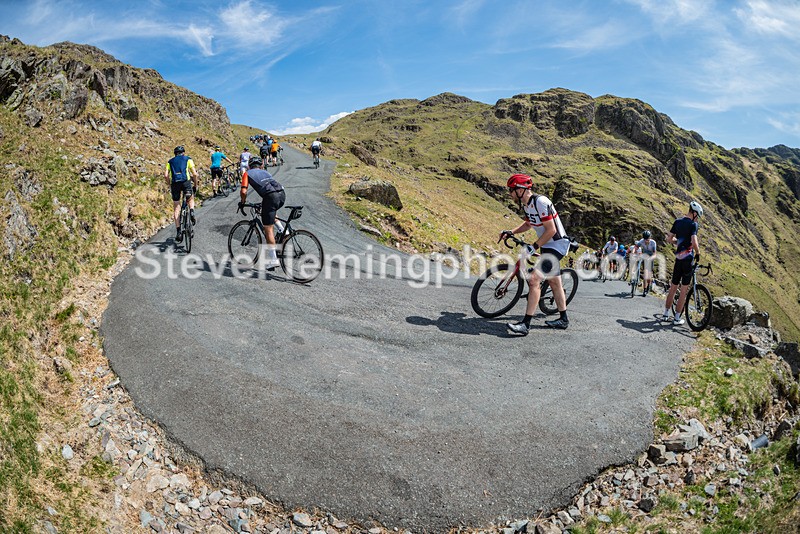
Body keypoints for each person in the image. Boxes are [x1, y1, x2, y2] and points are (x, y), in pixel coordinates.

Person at [501, 174, 572, 335]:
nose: (510, 194)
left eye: (511, 190)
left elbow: (551, 230)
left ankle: (525, 325)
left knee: (534, 280)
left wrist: (533, 247)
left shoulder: (541, 202)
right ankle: (563, 319)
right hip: (547, 245)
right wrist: (511, 232)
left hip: (557, 245)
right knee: (554, 282)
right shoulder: (527, 205)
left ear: (520, 190)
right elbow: (528, 224)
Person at [239, 156, 285, 268]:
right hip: (282, 194)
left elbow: (243, 191)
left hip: (270, 197)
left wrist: (242, 202)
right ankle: (283, 229)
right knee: (270, 211)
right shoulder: (265, 172)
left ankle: (274, 260)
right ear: (261, 165)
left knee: (268, 228)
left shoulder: (247, 173)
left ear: (249, 166)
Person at [663, 202, 703, 325]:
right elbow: (694, 241)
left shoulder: (677, 221)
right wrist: (698, 252)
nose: (697, 219)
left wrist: (679, 242)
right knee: (683, 290)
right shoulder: (693, 224)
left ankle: (665, 314)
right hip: (687, 260)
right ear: (694, 213)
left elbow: (669, 238)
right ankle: (676, 318)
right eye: (697, 216)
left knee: (673, 288)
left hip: (678, 259)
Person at [164, 145, 198, 242]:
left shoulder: (170, 162)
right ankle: (192, 211)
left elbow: (166, 175)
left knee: (176, 207)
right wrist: (195, 185)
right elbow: (194, 174)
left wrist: (169, 184)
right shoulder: (188, 159)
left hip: (175, 184)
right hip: (186, 182)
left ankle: (179, 231)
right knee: (190, 198)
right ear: (183, 153)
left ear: (175, 154)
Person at [636, 230, 657, 296]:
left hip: (651, 258)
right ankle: (644, 290)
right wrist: (633, 252)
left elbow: (654, 254)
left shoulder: (653, 243)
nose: (646, 241)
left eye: (647, 239)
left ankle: (648, 286)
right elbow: (636, 247)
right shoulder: (641, 241)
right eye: (645, 239)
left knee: (649, 277)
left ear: (650, 238)